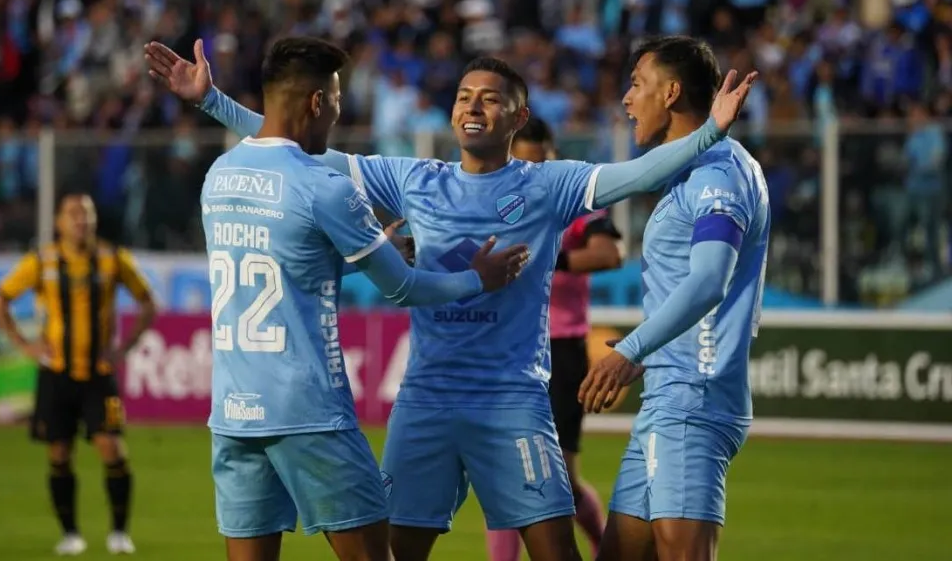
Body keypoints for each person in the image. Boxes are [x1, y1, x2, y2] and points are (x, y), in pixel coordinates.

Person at [144, 38, 755, 561]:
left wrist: (709, 132)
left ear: (517, 120)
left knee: (556, 552)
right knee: (397, 552)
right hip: (427, 399)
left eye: (490, 98)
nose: (473, 106)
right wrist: (211, 101)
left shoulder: (550, 184)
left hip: (512, 399)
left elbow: (640, 175)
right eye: (465, 96)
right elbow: (294, 146)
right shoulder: (414, 179)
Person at [198, 36, 528, 561]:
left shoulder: (219, 176)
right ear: (315, 103)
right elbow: (404, 287)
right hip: (308, 409)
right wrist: (476, 279)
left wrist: (361, 252)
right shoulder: (322, 186)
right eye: (334, 99)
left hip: (234, 412)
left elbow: (291, 265)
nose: (337, 110)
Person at [579, 36, 769, 561]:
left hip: (693, 399)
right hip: (667, 397)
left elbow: (710, 281)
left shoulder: (717, 175)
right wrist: (651, 349)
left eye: (636, 83)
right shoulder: (691, 171)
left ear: (671, 93)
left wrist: (631, 350)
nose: (625, 98)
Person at [486, 116, 624, 561]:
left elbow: (608, 254)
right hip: (508, 347)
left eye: (536, 163)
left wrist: (551, 257)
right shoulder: (494, 202)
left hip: (560, 349)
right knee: (505, 471)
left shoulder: (576, 204)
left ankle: (603, 540)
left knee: (560, 474)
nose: (528, 174)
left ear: (550, 153)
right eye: (519, 164)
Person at [0, 193, 157, 556]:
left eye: (87, 214)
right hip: (57, 375)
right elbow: (0, 299)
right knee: (59, 454)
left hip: (99, 375)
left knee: (112, 449)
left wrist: (124, 348)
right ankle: (70, 533)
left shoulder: (114, 259)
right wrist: (25, 345)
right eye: (73, 214)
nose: (81, 220)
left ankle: (119, 532)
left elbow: (148, 302)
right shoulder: (42, 261)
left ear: (95, 220)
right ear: (59, 222)